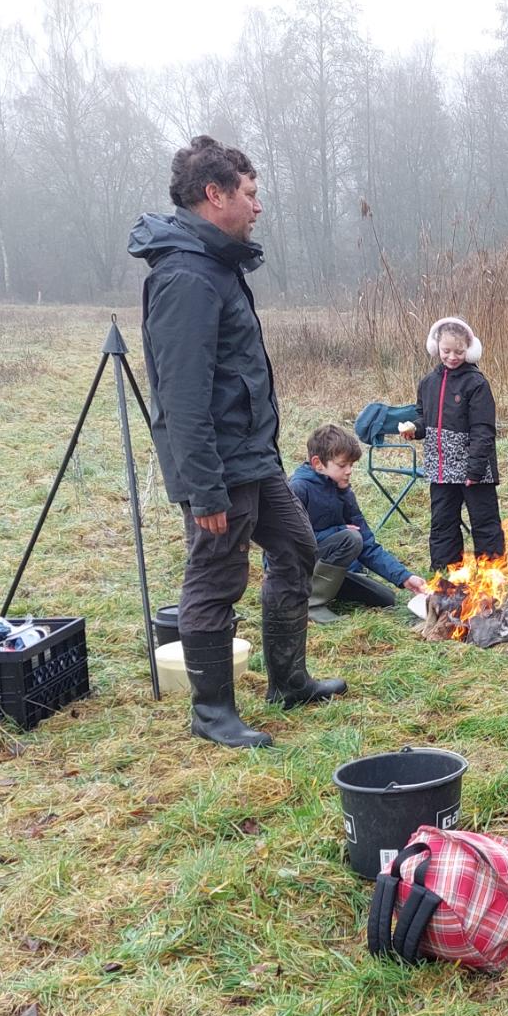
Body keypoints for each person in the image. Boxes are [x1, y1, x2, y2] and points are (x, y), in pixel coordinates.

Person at [128, 135, 344, 749]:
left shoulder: (215, 266)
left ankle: (289, 680)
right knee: (215, 581)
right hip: (219, 466)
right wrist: (203, 489)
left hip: (254, 456)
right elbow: (184, 395)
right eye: (250, 194)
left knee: (298, 547)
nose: (258, 207)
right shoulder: (187, 278)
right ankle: (212, 712)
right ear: (213, 194)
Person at [289, 424, 428, 621]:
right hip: (294, 571)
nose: (349, 471)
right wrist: (338, 531)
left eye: (351, 465)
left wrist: (404, 577)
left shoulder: (343, 490)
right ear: (318, 463)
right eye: (342, 465)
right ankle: (309, 604)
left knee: (385, 597)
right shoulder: (298, 488)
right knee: (350, 537)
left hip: (326, 567)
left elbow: (366, 543)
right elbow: (288, 542)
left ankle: (326, 588)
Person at [403, 317, 503, 571]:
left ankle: (491, 579)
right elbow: (423, 418)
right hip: (440, 469)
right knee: (442, 523)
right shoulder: (428, 382)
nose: (452, 357)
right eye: (446, 351)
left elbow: (484, 429)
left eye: (459, 351)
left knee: (484, 523)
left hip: (474, 468)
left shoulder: (476, 383)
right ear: (436, 347)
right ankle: (446, 578)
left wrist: (475, 469)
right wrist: (415, 429)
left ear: (469, 349)